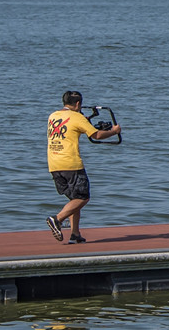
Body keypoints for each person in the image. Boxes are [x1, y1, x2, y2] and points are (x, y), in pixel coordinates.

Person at [46, 90, 121, 243]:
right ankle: (57, 219)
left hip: (54, 164)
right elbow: (96, 135)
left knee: (74, 200)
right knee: (83, 197)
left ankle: (75, 235)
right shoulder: (77, 118)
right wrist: (114, 131)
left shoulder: (53, 116)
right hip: (71, 164)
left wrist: (84, 121)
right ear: (78, 104)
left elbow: (70, 128)